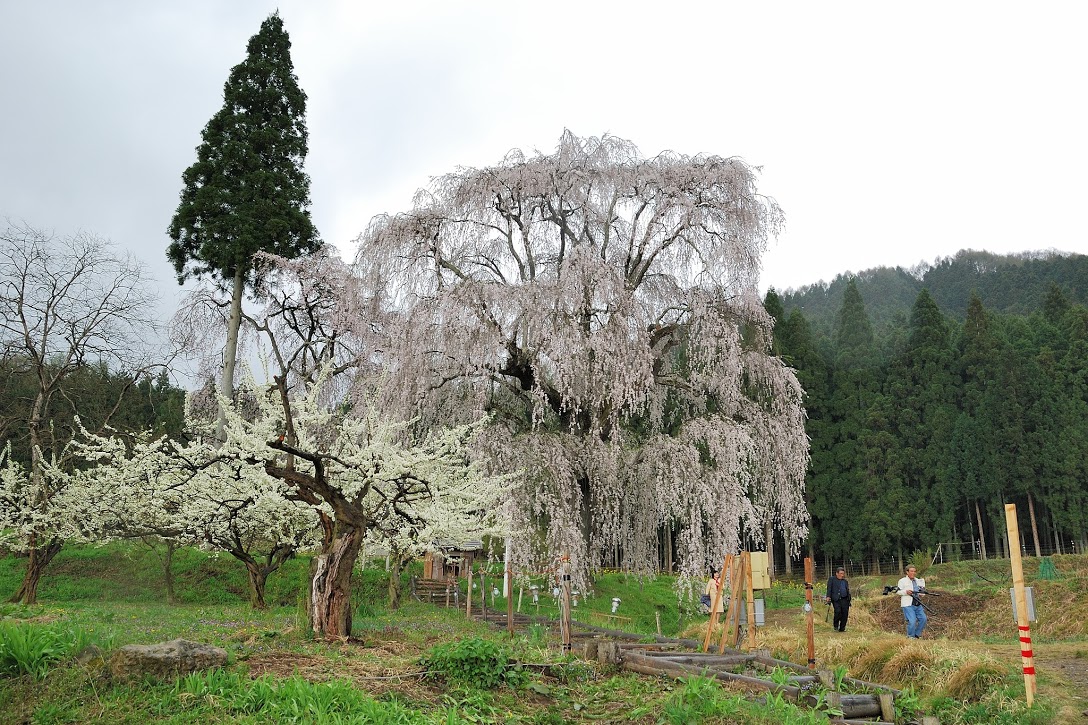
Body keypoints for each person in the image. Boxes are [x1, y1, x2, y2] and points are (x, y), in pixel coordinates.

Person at [897, 564, 927, 638]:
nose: (913, 573)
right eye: (911, 571)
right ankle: (910, 637)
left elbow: (922, 591)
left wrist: (922, 594)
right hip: (908, 605)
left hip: (917, 603)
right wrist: (906, 592)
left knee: (923, 619)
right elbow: (898, 592)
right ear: (907, 572)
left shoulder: (918, 581)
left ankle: (916, 635)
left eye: (914, 571)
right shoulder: (902, 581)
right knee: (912, 621)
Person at [824, 566, 851, 632]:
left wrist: (849, 599)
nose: (842, 575)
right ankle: (836, 625)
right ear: (837, 573)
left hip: (845, 599)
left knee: (845, 613)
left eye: (843, 574)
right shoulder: (832, 579)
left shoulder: (845, 581)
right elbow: (829, 588)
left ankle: (842, 628)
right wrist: (828, 597)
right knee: (838, 611)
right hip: (836, 599)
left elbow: (847, 590)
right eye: (841, 573)